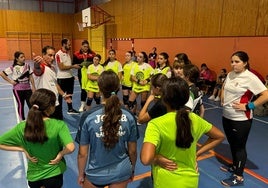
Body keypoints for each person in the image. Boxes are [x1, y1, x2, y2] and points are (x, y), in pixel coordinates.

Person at [140, 77, 224, 188]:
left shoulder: (156, 124)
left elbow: (146, 159)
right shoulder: (194, 118)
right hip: (191, 181)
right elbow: (219, 136)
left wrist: (156, 158)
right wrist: (196, 154)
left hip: (166, 182)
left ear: (164, 98)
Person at [0, 88, 75, 188]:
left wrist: (23, 149)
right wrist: (61, 153)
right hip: (53, 175)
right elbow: (71, 147)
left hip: (34, 177)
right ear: (50, 107)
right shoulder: (59, 125)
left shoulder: (22, 127)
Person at [76, 70, 138, 188]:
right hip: (122, 171)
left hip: (96, 173)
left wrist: (80, 174)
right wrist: (132, 170)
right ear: (118, 88)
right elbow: (133, 151)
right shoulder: (129, 116)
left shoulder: (88, 117)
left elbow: (82, 154)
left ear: (99, 89)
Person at [220, 51, 268, 186]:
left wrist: (249, 106)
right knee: (232, 144)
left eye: (237, 62)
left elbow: (266, 94)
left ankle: (239, 176)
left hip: (241, 119)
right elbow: (224, 87)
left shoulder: (250, 77)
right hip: (226, 115)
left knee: (239, 147)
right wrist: (223, 97)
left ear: (245, 63)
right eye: (232, 62)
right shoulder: (230, 74)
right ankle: (236, 166)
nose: (233, 64)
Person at [33, 45, 72, 120]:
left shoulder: (53, 68)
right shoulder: (42, 67)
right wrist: (36, 64)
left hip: (55, 103)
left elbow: (55, 84)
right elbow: (37, 70)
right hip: (45, 105)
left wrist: (64, 95)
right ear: (43, 55)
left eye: (53, 55)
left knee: (58, 124)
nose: (52, 58)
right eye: (50, 55)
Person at [0, 51, 35, 120]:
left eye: (24, 56)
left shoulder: (27, 66)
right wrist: (10, 81)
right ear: (17, 59)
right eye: (21, 57)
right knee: (21, 105)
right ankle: (23, 120)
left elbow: (31, 77)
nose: (24, 58)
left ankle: (33, 119)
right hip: (18, 89)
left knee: (31, 105)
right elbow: (2, 73)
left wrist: (33, 86)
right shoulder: (13, 67)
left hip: (28, 88)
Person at [55, 38, 80, 114]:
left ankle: (70, 109)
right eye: (69, 44)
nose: (70, 46)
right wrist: (73, 66)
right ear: (64, 44)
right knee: (60, 96)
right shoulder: (58, 54)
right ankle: (59, 112)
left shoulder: (68, 53)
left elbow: (68, 66)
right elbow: (61, 67)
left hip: (70, 78)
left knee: (69, 94)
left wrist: (73, 75)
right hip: (62, 78)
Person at [73, 40, 96, 112]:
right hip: (81, 74)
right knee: (83, 89)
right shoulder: (76, 54)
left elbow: (95, 63)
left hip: (91, 74)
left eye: (87, 46)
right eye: (84, 46)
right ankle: (82, 105)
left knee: (92, 89)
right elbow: (74, 64)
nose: (86, 48)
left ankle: (93, 105)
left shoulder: (92, 54)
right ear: (81, 46)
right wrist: (81, 65)